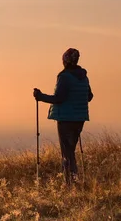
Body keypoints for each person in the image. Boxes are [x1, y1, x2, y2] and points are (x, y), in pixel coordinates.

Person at [33, 48, 94, 185]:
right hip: (80, 118)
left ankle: (70, 183)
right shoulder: (84, 77)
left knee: (67, 152)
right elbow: (89, 96)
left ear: (65, 61)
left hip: (66, 119)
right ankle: (73, 180)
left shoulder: (65, 77)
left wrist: (40, 96)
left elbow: (59, 98)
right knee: (70, 150)